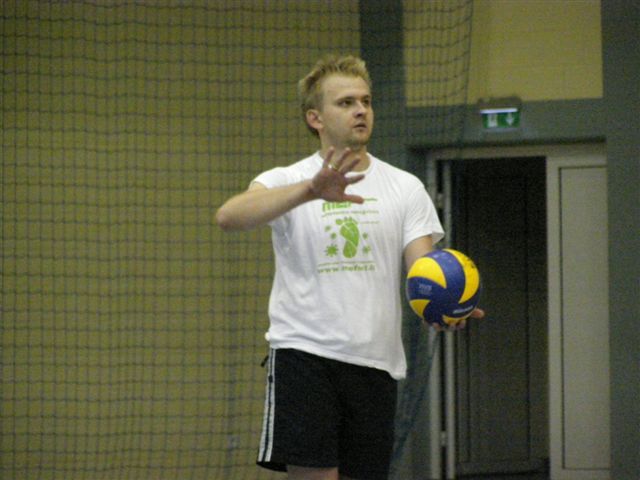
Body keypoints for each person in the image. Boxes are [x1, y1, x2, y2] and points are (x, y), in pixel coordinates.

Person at [216, 54, 483, 480]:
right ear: (315, 118)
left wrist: (444, 305)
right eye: (346, 103)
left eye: (365, 101)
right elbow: (229, 217)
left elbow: (423, 270)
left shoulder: (404, 186)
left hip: (376, 362)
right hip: (305, 354)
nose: (360, 110)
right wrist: (310, 190)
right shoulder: (285, 179)